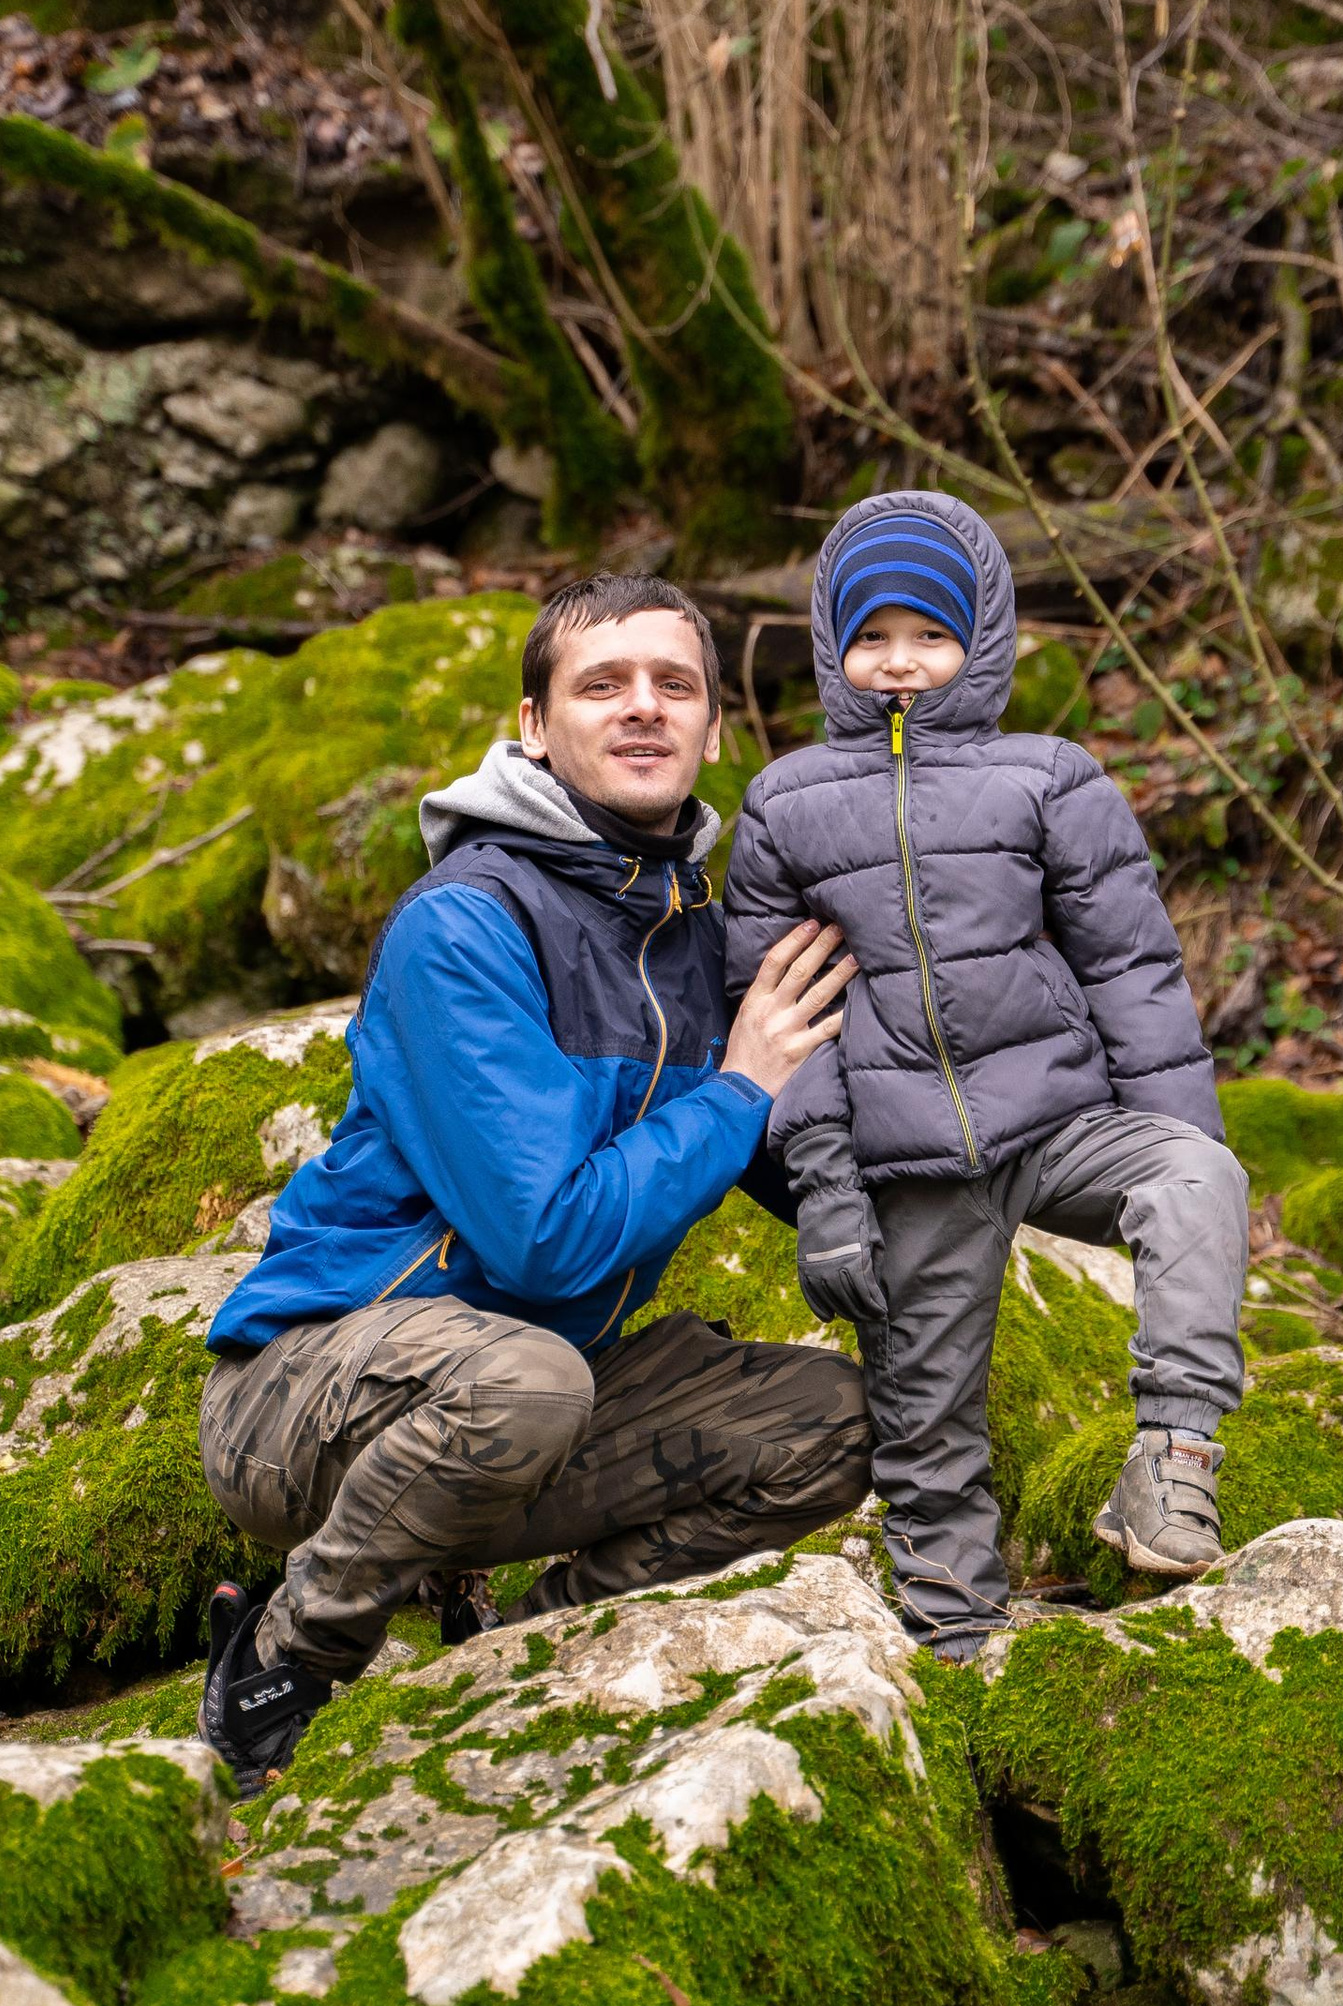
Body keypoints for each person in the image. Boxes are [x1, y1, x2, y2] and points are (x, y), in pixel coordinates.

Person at [195, 573, 869, 1789]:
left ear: (717, 732)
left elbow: (813, 1159)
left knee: (830, 1421)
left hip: (540, 1400)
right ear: (532, 726)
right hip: (307, 1400)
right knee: (527, 1376)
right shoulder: (468, 925)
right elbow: (544, 1241)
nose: (642, 709)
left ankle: (516, 1645)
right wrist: (740, 1083)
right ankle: (293, 1646)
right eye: (599, 685)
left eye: (675, 685)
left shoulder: (702, 936)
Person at [723, 488, 1248, 1658]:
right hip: (905, 1156)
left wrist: (1183, 1133)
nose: (900, 665)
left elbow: (1135, 973)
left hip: (1057, 1119)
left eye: (928, 636)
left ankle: (1170, 1461)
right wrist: (825, 1194)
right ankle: (955, 1636)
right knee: (924, 1417)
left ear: (980, 640)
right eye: (872, 639)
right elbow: (772, 1015)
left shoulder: (1047, 778)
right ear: (832, 649)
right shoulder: (783, 805)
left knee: (1196, 1181)